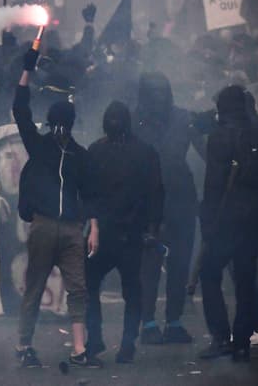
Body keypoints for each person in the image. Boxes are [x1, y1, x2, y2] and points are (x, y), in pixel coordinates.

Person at [12, 48, 99, 369]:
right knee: (36, 287)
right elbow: (19, 110)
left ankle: (78, 349)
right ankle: (23, 345)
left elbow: (90, 193)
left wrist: (94, 228)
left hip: (72, 229)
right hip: (47, 226)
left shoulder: (79, 155)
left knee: (77, 290)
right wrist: (27, 70)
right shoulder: (41, 146)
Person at [85, 101, 164, 365]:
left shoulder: (97, 150)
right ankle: (126, 343)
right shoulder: (144, 152)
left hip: (109, 233)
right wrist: (151, 229)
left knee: (94, 284)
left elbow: (88, 193)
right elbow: (156, 193)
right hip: (127, 233)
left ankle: (98, 339)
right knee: (131, 289)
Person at [198, 85, 258, 363]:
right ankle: (242, 344)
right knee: (245, 277)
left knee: (209, 272)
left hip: (227, 216)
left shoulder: (219, 136)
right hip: (256, 215)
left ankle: (221, 338)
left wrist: (207, 219)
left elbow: (213, 185)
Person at [135, 72, 205, 345]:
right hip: (149, 200)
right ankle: (149, 323)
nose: (160, 97)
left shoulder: (184, 118)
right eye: (154, 92)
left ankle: (174, 322)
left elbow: (208, 152)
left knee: (180, 263)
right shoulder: (134, 120)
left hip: (180, 198)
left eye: (163, 91)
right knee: (149, 265)